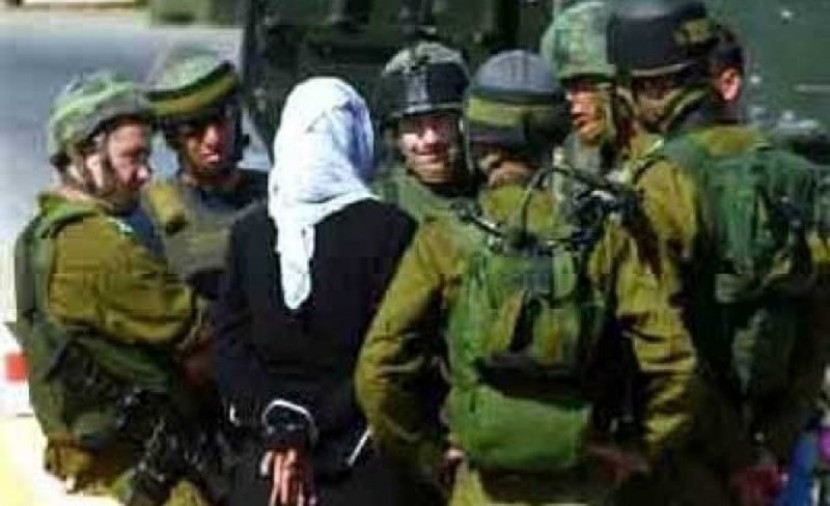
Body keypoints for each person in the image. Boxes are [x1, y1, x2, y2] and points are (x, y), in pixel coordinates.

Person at [356, 49, 696, 505]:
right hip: (583, 486)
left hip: (479, 489)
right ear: (556, 132)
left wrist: (427, 455)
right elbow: (675, 362)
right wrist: (638, 450)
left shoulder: (446, 237)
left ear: (475, 134)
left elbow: (377, 371)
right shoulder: (601, 237)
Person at [606, 0, 830, 503]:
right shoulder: (793, 174)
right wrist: (770, 448)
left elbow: (666, 349)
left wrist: (738, 457)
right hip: (767, 459)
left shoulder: (657, 185)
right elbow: (818, 330)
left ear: (653, 89)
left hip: (681, 464)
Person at [213, 77, 435, 506]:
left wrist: (281, 423)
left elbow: (228, 348)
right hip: (361, 466)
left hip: (268, 473)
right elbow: (393, 355)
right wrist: (317, 423)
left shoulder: (249, 233)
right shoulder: (391, 231)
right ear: (352, 137)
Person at [11, 70, 216, 505]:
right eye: (132, 156)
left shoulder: (40, 234)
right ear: (84, 154)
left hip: (98, 465)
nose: (145, 173)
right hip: (147, 472)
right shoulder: (100, 249)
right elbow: (204, 336)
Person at [143, 45, 267, 300]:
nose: (213, 138)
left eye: (222, 119)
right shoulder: (151, 214)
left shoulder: (278, 196)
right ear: (172, 136)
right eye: (194, 127)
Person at [372, 40, 476, 222]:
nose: (430, 138)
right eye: (413, 124)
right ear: (395, 136)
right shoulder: (378, 207)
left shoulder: (497, 193)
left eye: (441, 119)